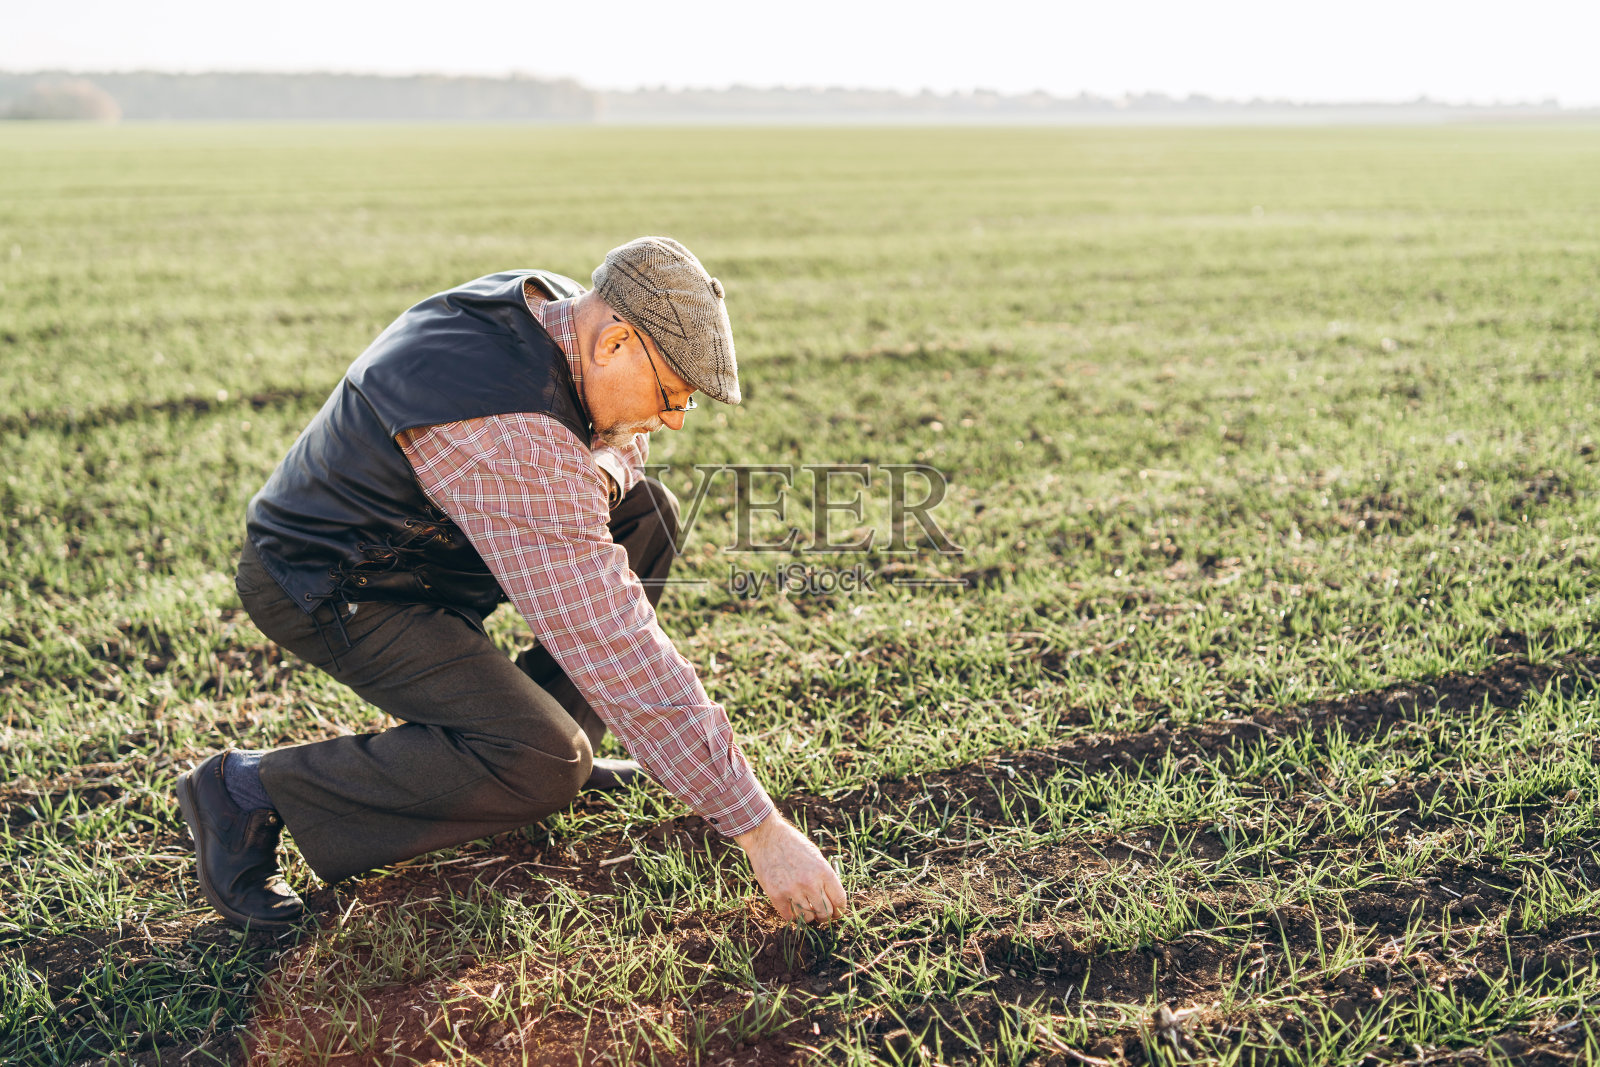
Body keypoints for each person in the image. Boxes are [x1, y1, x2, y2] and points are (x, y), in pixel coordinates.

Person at [176, 237, 847, 931]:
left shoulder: (565, 317)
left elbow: (623, 444)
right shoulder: (513, 435)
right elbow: (614, 640)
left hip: (425, 551)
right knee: (542, 760)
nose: (674, 418)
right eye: (673, 393)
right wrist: (759, 828)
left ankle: (559, 756)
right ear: (616, 342)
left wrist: (602, 470)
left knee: (648, 513)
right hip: (336, 581)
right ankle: (248, 790)